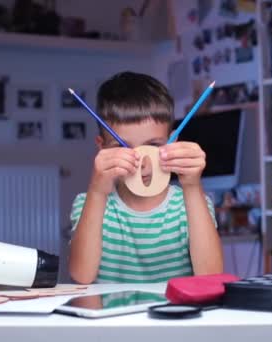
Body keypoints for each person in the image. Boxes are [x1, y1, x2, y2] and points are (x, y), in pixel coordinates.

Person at [69, 71, 223, 284]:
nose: (142, 162)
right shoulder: (89, 203)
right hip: (112, 317)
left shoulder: (192, 203)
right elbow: (81, 276)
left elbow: (211, 277)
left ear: (173, 142)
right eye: (122, 147)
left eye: (153, 145)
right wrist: (97, 191)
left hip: (175, 316)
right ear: (102, 148)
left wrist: (192, 187)